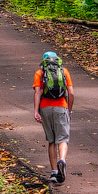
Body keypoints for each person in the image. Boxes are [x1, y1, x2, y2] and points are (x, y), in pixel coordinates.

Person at [32, 50, 74, 184]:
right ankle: (62, 159)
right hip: (61, 107)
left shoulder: (40, 73)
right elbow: (71, 93)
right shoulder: (64, 71)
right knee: (62, 139)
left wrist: (36, 111)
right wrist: (69, 110)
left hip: (45, 108)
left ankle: (54, 172)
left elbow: (37, 93)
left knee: (51, 140)